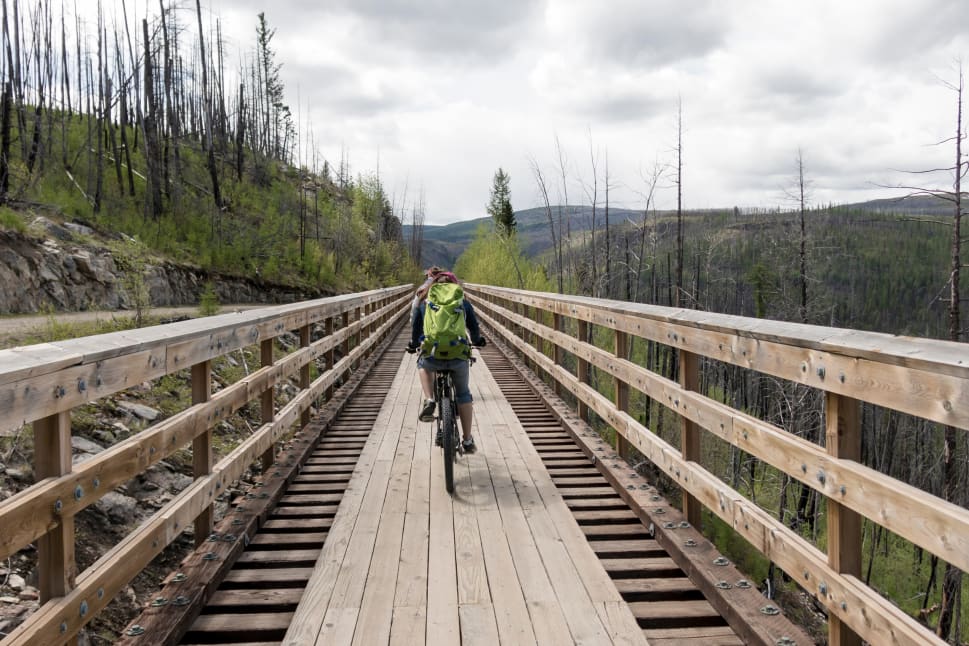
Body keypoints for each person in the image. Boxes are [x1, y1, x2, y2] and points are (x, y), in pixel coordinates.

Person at [406, 271, 486, 453]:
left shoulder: (426, 302)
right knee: (464, 395)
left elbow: (416, 325)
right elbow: (474, 326)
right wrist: (477, 340)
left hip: (432, 355)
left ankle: (429, 399)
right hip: (457, 354)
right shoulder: (461, 301)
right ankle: (467, 440)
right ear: (453, 286)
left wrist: (414, 344)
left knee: (422, 364)